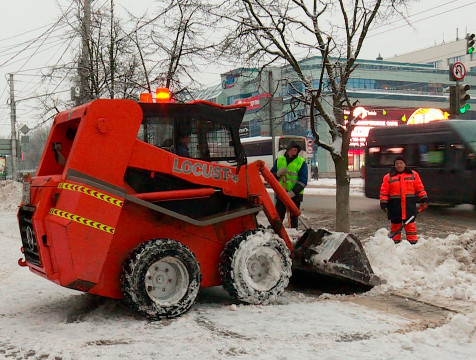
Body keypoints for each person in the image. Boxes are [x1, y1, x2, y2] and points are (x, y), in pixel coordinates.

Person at [380, 156, 429, 244]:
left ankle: (412, 243)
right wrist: (383, 203)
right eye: (397, 163)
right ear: (394, 165)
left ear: (405, 164)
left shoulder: (413, 175)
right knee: (395, 225)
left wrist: (424, 198)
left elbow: (419, 188)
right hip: (395, 205)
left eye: (401, 163)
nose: (399, 165)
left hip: (408, 205)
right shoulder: (388, 177)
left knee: (410, 225)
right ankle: (395, 243)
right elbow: (384, 191)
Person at [270, 141, 308, 228]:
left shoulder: (301, 162)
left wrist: (291, 193)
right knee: (278, 217)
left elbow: (303, 181)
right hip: (281, 194)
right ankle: (277, 233)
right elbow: (270, 177)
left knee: (293, 218)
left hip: (295, 195)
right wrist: (277, 174)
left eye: (296, 150)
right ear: (288, 150)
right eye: (293, 150)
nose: (295, 152)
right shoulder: (279, 160)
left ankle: (293, 234)